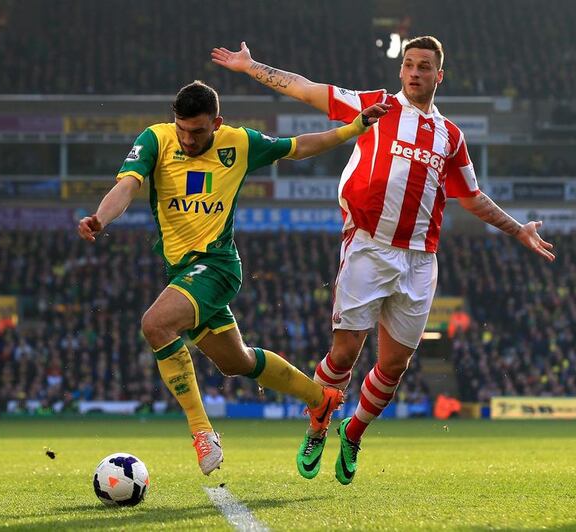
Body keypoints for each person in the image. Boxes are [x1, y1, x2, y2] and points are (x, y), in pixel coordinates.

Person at [212, 37, 556, 484]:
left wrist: (517, 229)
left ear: (439, 76)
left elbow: (471, 196)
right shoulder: (375, 107)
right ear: (401, 72)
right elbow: (305, 88)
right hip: (369, 246)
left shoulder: (451, 137)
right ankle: (319, 421)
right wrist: (253, 66)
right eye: (409, 65)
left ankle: (353, 433)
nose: (415, 73)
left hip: (420, 260)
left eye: (424, 67)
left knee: (393, 365)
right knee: (346, 352)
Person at [77, 80, 389, 476]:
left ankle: (202, 432)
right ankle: (320, 398)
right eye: (182, 129)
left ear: (217, 123)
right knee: (235, 361)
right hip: (182, 270)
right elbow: (128, 185)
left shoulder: (239, 144)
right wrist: (100, 218)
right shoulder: (155, 139)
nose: (188, 139)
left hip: (218, 265)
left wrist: (355, 127)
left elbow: (298, 146)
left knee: (155, 324)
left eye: (198, 131)